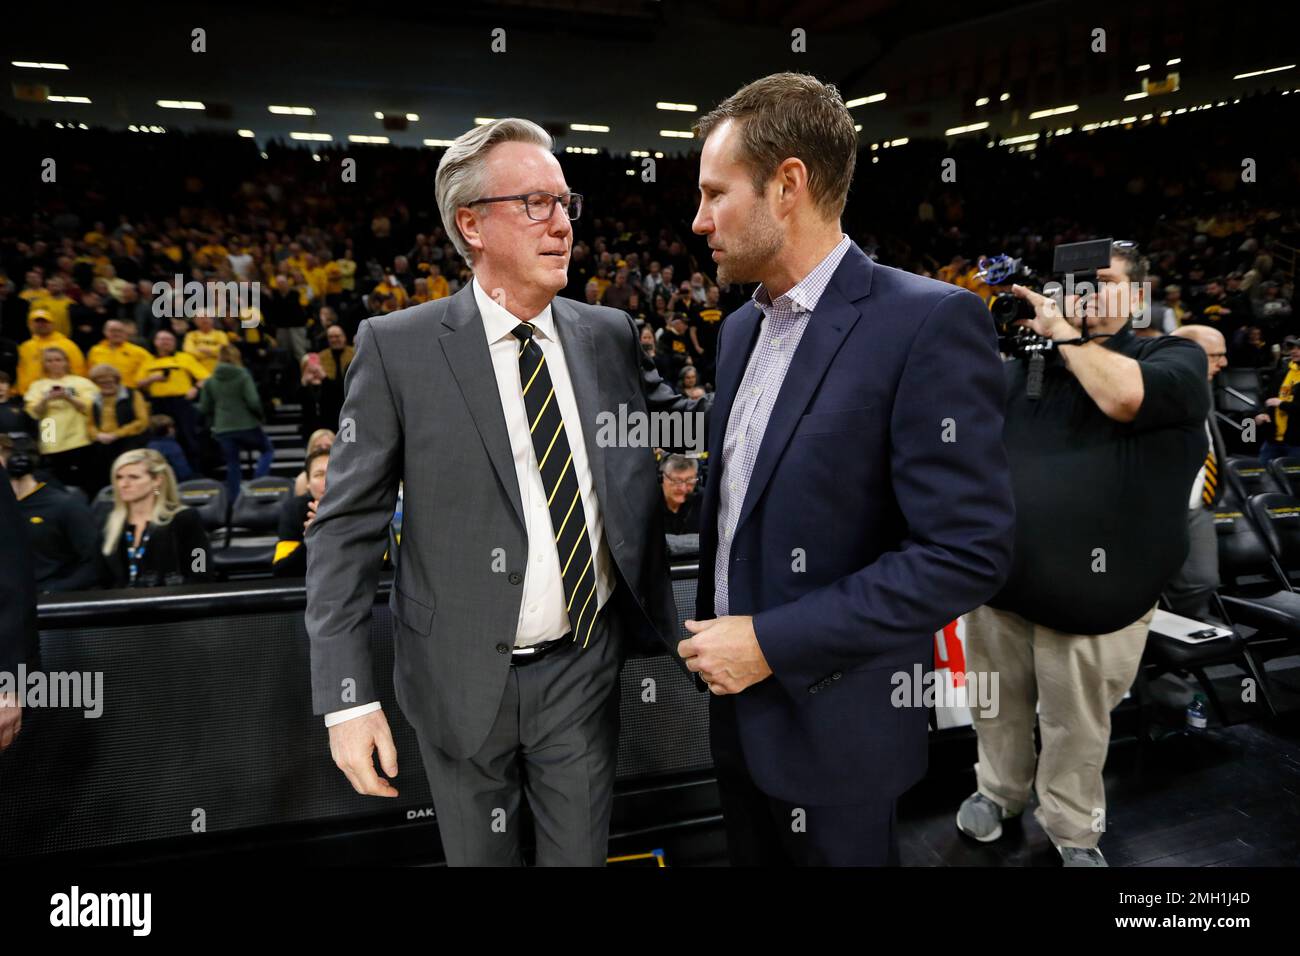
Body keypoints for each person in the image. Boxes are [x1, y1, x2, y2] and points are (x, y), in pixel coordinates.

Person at [305, 117, 696, 867]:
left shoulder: (607, 332)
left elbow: (680, 429)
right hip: (455, 677)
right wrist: (347, 699)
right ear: (471, 225)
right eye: (535, 204)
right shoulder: (398, 348)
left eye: (565, 202)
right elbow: (344, 532)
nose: (563, 225)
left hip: (583, 669)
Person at [685, 72, 1015, 867]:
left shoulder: (929, 322)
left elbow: (965, 552)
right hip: (735, 716)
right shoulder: (737, 335)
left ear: (787, 184)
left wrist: (770, 641)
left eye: (714, 193)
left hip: (840, 736)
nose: (698, 221)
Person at [958, 242, 1209, 866]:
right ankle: (999, 792)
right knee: (997, 704)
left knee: (1077, 723)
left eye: (1101, 280)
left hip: (1098, 597)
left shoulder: (1172, 356)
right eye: (1073, 282)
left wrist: (1067, 336)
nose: (1084, 292)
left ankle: (1073, 829)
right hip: (1003, 586)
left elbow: (1124, 398)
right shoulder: (1029, 364)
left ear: (1138, 292)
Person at [1167, 325, 1230, 620]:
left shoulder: (1204, 385)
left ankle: (1191, 631)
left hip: (1202, 502)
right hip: (1163, 507)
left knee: (1204, 580)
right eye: (1216, 355)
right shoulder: (1155, 388)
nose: (1224, 363)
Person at [1, 435, 102, 592]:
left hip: (52, 602)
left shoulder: (65, 506)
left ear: (19, 463)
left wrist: (54, 591)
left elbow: (95, 564)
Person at [100, 448, 211, 588]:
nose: (123, 484)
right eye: (118, 477)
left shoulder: (185, 519)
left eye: (134, 477)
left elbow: (200, 569)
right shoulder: (109, 520)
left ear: (157, 481)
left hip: (172, 603)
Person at [198, 345, 275, 504]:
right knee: (267, 450)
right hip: (247, 425)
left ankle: (234, 501)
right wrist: (260, 416)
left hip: (223, 428)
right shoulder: (243, 375)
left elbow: (204, 407)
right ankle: (257, 484)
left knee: (233, 464)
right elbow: (253, 401)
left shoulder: (211, 380)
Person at [24, 348, 99, 496]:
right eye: (49, 360)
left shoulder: (81, 382)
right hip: (50, 431)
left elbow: (91, 407)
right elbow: (33, 412)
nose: (54, 363)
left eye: (58, 360)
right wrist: (46, 398)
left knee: (81, 477)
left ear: (66, 362)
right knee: (54, 475)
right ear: (44, 364)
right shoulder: (37, 385)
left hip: (78, 436)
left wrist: (68, 397)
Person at [136, 329, 209, 470]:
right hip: (158, 404)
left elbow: (205, 378)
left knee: (188, 437)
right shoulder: (148, 360)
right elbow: (138, 383)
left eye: (169, 340)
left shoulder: (185, 358)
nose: (166, 342)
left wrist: (195, 389)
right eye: (162, 339)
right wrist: (152, 378)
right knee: (158, 439)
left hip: (180, 402)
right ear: (155, 342)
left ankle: (194, 472)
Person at [87, 363, 151, 487]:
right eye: (101, 382)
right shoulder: (94, 398)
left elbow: (142, 421)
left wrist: (117, 434)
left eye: (109, 381)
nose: (106, 385)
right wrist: (97, 435)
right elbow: (89, 424)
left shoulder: (133, 395)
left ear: (117, 380)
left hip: (130, 442)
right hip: (103, 444)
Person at [274, 446, 329, 577]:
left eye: (335, 472)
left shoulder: (365, 507)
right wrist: (313, 538)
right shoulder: (294, 510)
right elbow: (282, 570)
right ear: (308, 483)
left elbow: (382, 564)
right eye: (319, 475)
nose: (328, 480)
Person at [15, 309, 85, 396]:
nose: (41, 325)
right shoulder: (25, 346)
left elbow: (78, 369)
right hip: (27, 395)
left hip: (58, 395)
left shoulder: (68, 345)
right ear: (30, 325)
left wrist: (74, 391)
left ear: (52, 324)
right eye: (37, 322)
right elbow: (20, 370)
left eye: (45, 321)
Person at [1253, 335, 1300, 464]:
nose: (1294, 351)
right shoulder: (1283, 373)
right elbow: (1267, 398)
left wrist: (1282, 404)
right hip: (1273, 440)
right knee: (1261, 475)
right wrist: (1262, 413)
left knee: (1294, 482)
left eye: (1299, 348)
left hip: (1296, 443)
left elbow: (1280, 403)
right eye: (1292, 347)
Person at [86, 319, 152, 388]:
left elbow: (151, 364)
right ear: (105, 332)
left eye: (120, 331)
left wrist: (140, 379)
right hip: (101, 391)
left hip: (129, 391)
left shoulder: (138, 351)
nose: (116, 334)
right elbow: (89, 373)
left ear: (125, 332)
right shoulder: (95, 351)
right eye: (113, 331)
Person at [659, 454, 702, 534]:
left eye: (690, 481)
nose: (683, 488)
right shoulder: (646, 504)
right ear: (661, 478)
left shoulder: (705, 502)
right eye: (676, 481)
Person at [293, 428, 335, 497]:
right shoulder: (302, 479)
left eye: (328, 447)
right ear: (310, 449)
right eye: (318, 447)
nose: (323, 449)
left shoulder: (346, 473)